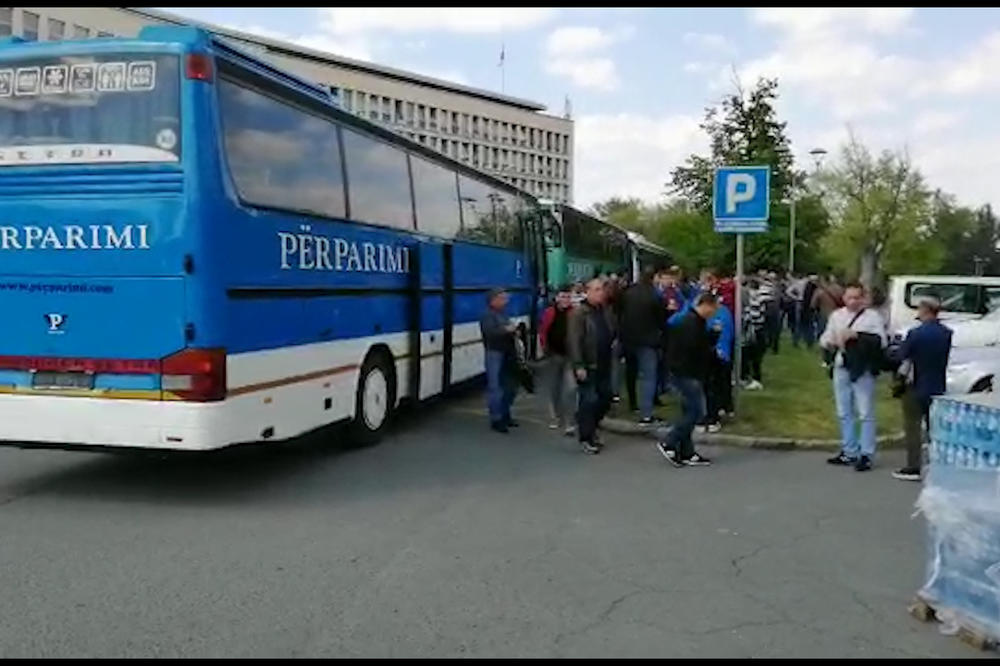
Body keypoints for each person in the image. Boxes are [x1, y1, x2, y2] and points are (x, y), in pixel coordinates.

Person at [820, 282, 888, 471]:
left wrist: (857, 335)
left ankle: (866, 453)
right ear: (844, 298)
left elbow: (881, 341)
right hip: (841, 366)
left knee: (865, 412)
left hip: (862, 368)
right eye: (850, 298)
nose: (853, 301)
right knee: (844, 411)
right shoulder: (837, 316)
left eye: (857, 297)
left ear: (863, 298)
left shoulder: (872, 317)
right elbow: (825, 337)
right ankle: (849, 450)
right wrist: (830, 341)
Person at [655, 292, 719, 466]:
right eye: (713, 309)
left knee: (688, 411)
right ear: (706, 305)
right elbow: (693, 350)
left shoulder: (694, 322)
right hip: (686, 373)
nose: (713, 313)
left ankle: (686, 451)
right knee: (696, 411)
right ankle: (670, 441)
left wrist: (712, 336)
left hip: (685, 372)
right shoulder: (691, 324)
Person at [891, 297, 952, 481]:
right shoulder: (946, 333)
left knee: (913, 427)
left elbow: (901, 355)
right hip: (937, 384)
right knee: (935, 427)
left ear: (925, 310)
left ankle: (914, 466)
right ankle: (938, 464)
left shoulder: (916, 333)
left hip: (916, 384)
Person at [568, 278, 617, 454]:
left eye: (601, 290)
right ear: (587, 292)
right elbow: (574, 341)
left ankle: (592, 427)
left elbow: (611, 330)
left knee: (605, 397)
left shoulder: (604, 311)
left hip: (604, 362)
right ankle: (586, 437)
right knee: (588, 400)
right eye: (596, 290)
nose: (600, 293)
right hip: (588, 363)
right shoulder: (579, 313)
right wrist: (578, 364)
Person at [620, 267, 665, 425]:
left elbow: (620, 313)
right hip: (648, 341)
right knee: (648, 377)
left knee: (630, 372)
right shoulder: (655, 295)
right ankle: (646, 414)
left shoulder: (628, 292)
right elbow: (661, 320)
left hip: (628, 339)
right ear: (654, 278)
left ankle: (633, 403)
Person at [539, 284, 577, 436]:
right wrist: (543, 347)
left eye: (568, 297)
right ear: (557, 298)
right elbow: (543, 331)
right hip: (554, 355)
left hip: (570, 356)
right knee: (554, 388)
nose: (565, 300)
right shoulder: (549, 312)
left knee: (570, 389)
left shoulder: (575, 313)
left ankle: (570, 421)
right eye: (563, 296)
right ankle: (555, 417)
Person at [479, 288, 519, 433]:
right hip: (494, 353)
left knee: (510, 386)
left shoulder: (502, 314)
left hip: (507, 353)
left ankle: (505, 413)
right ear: (493, 300)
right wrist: (507, 330)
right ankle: (496, 419)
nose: (505, 301)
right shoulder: (488, 315)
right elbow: (490, 333)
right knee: (495, 387)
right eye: (502, 298)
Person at [701, 298, 734, 432]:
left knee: (713, 386)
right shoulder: (725, 311)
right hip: (723, 353)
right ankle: (726, 407)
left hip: (715, 353)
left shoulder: (714, 315)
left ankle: (713, 416)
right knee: (723, 382)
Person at [741, 278, 767, 390]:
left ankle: (751, 379)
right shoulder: (759, 297)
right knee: (754, 357)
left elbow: (752, 315)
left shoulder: (752, 298)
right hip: (758, 329)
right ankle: (753, 378)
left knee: (748, 355)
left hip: (753, 330)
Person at [811, 275, 843, 342]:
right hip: (838, 314)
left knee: (823, 331)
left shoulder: (819, 291)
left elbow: (813, 304)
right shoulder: (840, 289)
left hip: (824, 314)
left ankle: (822, 345)